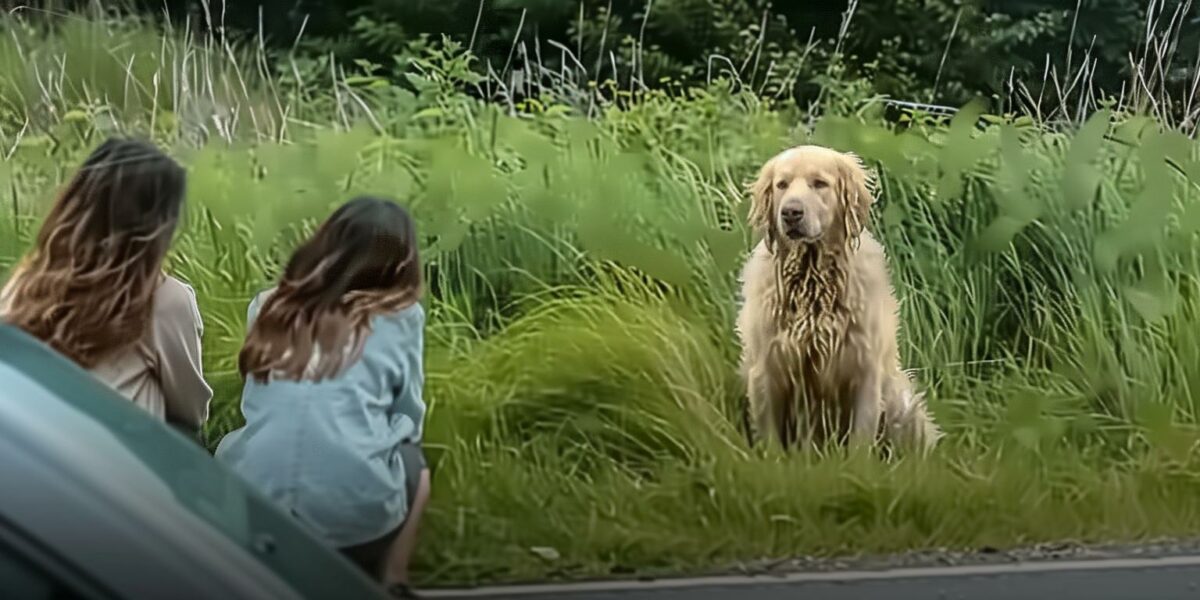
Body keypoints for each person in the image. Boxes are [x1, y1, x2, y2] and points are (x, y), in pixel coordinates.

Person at [215, 196, 431, 599]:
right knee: (416, 466)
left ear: (325, 246)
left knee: (235, 444)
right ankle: (391, 583)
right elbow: (410, 417)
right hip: (354, 529)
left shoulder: (269, 305)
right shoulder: (401, 317)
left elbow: (261, 400)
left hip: (259, 517)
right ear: (401, 261)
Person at [0, 137, 212, 438]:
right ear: (160, 226)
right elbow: (192, 411)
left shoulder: (26, 284)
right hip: (114, 469)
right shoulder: (166, 299)